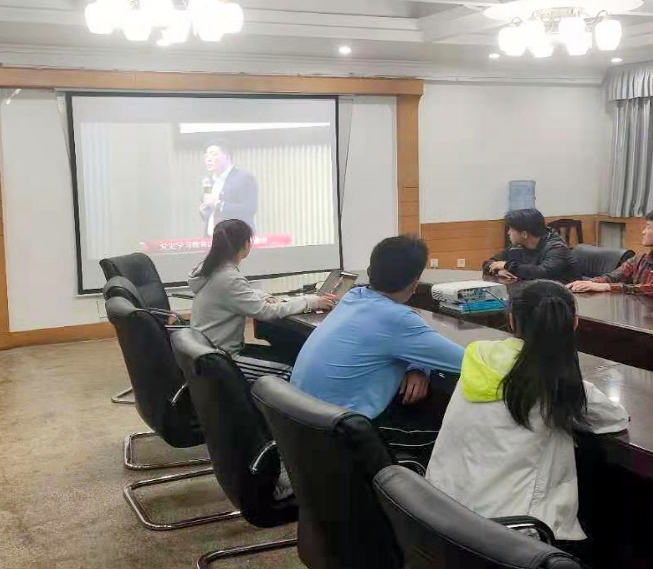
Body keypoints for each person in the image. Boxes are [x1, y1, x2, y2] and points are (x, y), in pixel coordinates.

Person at [427, 280, 628, 543]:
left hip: (439, 514)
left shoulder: (479, 356)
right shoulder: (555, 380)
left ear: (511, 320)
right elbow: (614, 419)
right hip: (508, 536)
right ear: (574, 323)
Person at [291, 236, 464, 443]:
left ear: (370, 271)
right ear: (415, 283)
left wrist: (418, 365)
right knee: (449, 433)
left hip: (302, 425)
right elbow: (465, 361)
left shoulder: (354, 296)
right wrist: (421, 360)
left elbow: (400, 341)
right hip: (343, 436)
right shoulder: (397, 319)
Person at [189, 219, 335, 359]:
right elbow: (266, 312)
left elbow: (236, 293)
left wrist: (262, 296)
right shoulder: (228, 277)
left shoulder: (209, 269)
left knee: (288, 352)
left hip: (207, 352)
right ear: (246, 244)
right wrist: (311, 302)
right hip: (224, 359)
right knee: (292, 366)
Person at [568, 208, 653, 299]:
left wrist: (606, 287)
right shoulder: (640, 260)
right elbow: (612, 277)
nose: (643, 232)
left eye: (648, 227)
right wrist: (585, 284)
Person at [482, 209, 576, 283]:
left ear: (524, 234)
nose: (508, 233)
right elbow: (489, 263)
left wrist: (507, 265)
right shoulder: (518, 246)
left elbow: (544, 273)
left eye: (511, 229)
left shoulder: (556, 247)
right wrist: (499, 271)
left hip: (562, 295)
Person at [199, 142, 258, 235]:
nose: (208, 159)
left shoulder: (244, 178)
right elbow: (210, 215)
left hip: (236, 237)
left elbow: (249, 209)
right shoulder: (209, 181)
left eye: (213, 154)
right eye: (206, 156)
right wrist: (204, 211)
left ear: (227, 157)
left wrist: (219, 205)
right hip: (212, 238)